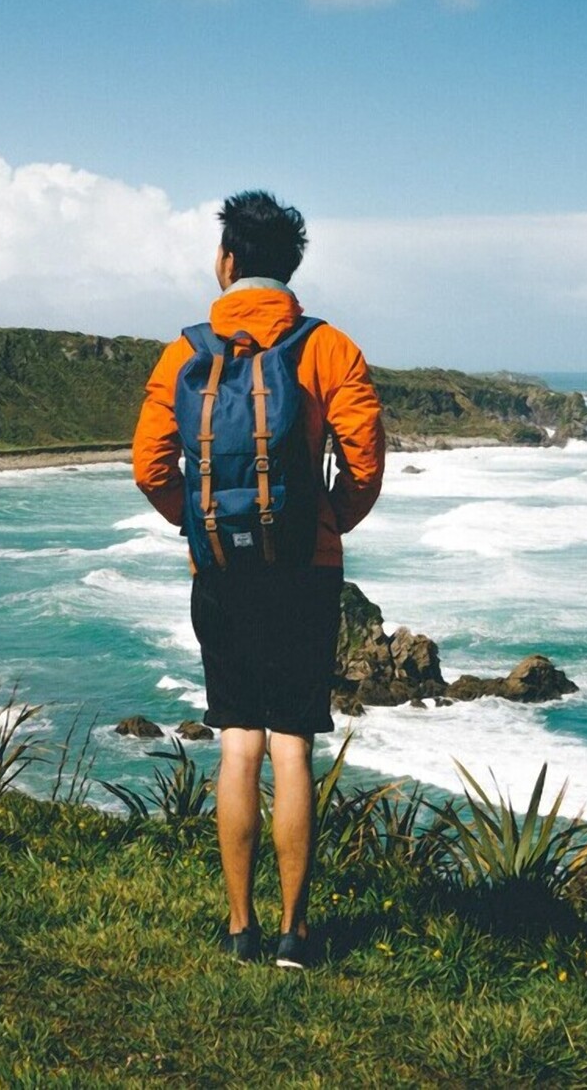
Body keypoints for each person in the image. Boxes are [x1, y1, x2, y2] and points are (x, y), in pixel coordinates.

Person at [131, 190, 385, 968]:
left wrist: (195, 520)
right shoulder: (327, 347)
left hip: (223, 571)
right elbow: (366, 459)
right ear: (292, 267)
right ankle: (294, 934)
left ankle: (239, 926)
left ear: (227, 261)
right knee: (292, 745)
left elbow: (149, 464)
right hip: (303, 572)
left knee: (237, 740)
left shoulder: (185, 351)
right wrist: (329, 520)